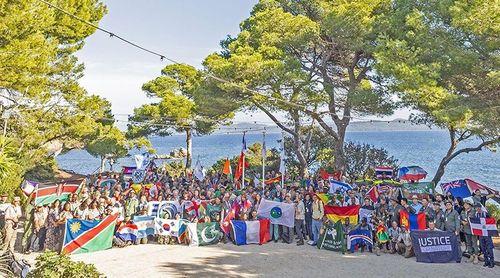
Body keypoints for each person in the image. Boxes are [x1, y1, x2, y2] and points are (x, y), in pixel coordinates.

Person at [474, 203, 494, 268]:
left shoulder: (485, 213)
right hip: (480, 234)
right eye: (476, 208)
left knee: (489, 248)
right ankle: (486, 261)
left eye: (478, 207)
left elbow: (491, 221)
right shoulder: (476, 214)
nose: (477, 209)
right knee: (483, 248)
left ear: (480, 207)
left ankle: (492, 262)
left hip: (487, 233)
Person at [461, 199, 479, 264]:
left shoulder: (474, 211)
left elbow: (476, 219)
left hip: (473, 230)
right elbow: (460, 219)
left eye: (467, 204)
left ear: (470, 205)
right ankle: (471, 256)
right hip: (466, 230)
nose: (465, 205)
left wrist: (468, 222)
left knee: (474, 243)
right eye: (464, 204)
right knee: (468, 244)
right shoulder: (462, 212)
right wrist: (462, 222)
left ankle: (476, 256)